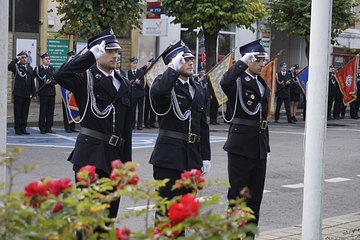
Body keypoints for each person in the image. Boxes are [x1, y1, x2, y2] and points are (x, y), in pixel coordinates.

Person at [54, 28, 132, 221]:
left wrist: (126, 165)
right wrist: (89, 56)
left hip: (115, 157)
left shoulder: (124, 83)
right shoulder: (84, 79)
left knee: (108, 219)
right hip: (90, 154)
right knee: (87, 220)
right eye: (109, 51)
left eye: (116, 52)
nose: (115, 55)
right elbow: (60, 75)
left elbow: (126, 130)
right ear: (98, 52)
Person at [149, 41, 211, 221]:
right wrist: (172, 70)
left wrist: (205, 156)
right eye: (185, 59)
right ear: (174, 62)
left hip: (192, 155)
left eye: (192, 59)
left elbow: (202, 126)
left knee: (185, 212)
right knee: (166, 213)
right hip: (169, 157)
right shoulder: (164, 83)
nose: (191, 62)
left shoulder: (197, 88)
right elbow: (158, 93)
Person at [220, 39, 270, 234]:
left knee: (255, 199)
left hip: (259, 147)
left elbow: (262, 116)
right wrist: (240, 63)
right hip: (240, 147)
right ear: (248, 60)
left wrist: (266, 146)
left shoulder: (262, 83)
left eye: (262, 60)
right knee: (237, 197)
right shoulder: (238, 81)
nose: (262, 63)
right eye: (257, 59)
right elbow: (224, 82)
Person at [8, 50, 36, 135]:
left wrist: (34, 93)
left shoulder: (30, 68)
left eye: (25, 57)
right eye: (22, 57)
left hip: (27, 94)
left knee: (25, 112)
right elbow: (9, 67)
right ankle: (18, 129)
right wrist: (16, 59)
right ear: (20, 58)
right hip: (18, 94)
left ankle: (23, 128)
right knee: (18, 112)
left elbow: (32, 82)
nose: (24, 59)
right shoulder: (16, 67)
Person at [34, 53, 56, 134]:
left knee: (50, 111)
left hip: (51, 93)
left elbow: (56, 79)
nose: (48, 60)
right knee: (43, 111)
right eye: (46, 59)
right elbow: (32, 77)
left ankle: (49, 127)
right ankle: (42, 127)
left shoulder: (52, 68)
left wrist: (50, 82)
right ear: (43, 60)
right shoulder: (38, 69)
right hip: (43, 93)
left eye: (49, 59)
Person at [61, 50, 79, 133]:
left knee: (73, 109)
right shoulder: (65, 67)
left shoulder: (76, 68)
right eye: (72, 57)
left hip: (73, 91)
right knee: (66, 110)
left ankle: (73, 126)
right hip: (66, 91)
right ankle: (67, 127)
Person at [128, 57, 145, 130]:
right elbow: (128, 82)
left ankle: (139, 124)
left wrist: (138, 83)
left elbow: (142, 84)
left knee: (140, 110)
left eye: (136, 63)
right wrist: (134, 82)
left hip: (140, 93)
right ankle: (132, 124)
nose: (135, 65)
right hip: (133, 94)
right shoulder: (129, 72)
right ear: (131, 64)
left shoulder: (140, 72)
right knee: (133, 110)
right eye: (133, 63)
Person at [141, 58, 158, 128]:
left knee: (153, 108)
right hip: (147, 91)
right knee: (147, 108)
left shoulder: (155, 71)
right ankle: (146, 123)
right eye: (151, 63)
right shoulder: (146, 70)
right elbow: (141, 71)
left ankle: (152, 122)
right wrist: (146, 66)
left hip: (153, 91)